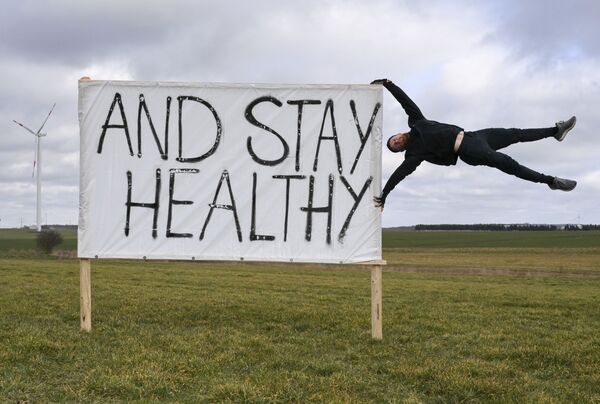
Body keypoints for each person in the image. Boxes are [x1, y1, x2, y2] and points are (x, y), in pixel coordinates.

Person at [371, 78, 577, 209]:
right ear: (401, 150)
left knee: (515, 134)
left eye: (394, 139)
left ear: (398, 133)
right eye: (395, 146)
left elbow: (406, 102)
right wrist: (385, 193)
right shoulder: (414, 154)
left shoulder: (416, 122)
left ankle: (556, 131)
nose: (396, 141)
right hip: (468, 150)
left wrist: (388, 85)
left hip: (475, 136)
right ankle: (551, 181)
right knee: (509, 164)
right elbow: (399, 174)